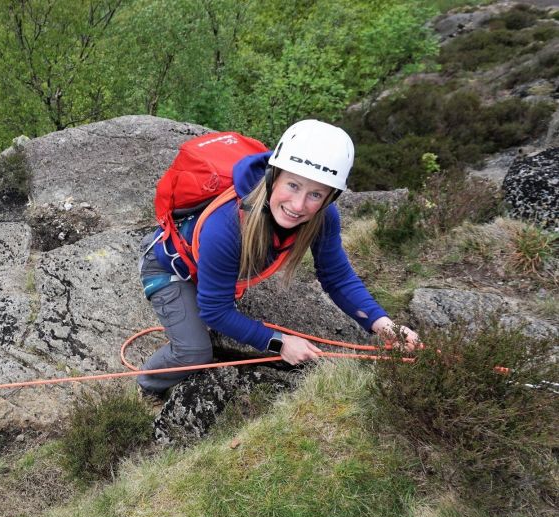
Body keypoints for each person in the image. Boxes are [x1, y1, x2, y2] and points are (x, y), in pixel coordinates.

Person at [137, 119, 419, 399]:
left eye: (316, 194)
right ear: (273, 176)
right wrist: (279, 343)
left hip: (209, 269)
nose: (298, 205)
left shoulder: (324, 217)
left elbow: (337, 277)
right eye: (293, 185)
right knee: (194, 352)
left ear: (330, 198)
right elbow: (215, 311)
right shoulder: (226, 225)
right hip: (170, 269)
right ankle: (146, 386)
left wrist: (385, 326)